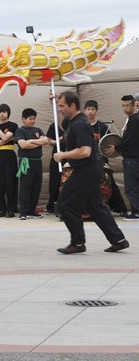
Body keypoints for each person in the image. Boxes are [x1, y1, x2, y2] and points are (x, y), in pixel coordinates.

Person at [54, 91, 130, 254]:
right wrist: (54, 103)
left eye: (62, 106)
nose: (60, 109)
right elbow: (61, 125)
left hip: (87, 169)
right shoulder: (72, 121)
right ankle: (119, 240)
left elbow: (85, 151)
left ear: (73, 106)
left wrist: (63, 155)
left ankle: (78, 243)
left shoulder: (80, 124)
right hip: (91, 168)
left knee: (65, 204)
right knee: (95, 206)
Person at [84, 99, 127, 216]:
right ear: (85, 111)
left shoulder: (102, 127)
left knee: (109, 182)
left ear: (96, 111)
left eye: (93, 109)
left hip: (101, 160)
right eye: (88, 109)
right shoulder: (82, 126)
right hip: (85, 160)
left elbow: (111, 141)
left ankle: (120, 208)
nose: (90, 111)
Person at [105, 95, 139, 220]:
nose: (125, 108)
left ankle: (136, 212)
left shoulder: (134, 120)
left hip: (132, 159)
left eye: (127, 105)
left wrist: (116, 148)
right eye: (123, 106)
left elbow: (130, 140)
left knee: (132, 186)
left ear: (134, 105)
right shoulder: (133, 119)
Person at [14, 108, 47, 220]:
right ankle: (23, 211)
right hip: (26, 162)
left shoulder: (38, 130)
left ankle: (32, 210)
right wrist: (38, 142)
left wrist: (31, 142)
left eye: (34, 118)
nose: (32, 121)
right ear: (24, 119)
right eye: (30, 119)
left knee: (36, 186)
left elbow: (45, 141)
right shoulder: (20, 131)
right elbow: (23, 145)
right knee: (25, 186)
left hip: (37, 161)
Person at [0, 103, 18, 217]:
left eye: (4, 111)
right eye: (0, 112)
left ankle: (11, 209)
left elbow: (6, 138)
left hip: (9, 154)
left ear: (8, 113)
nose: (2, 114)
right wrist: (2, 140)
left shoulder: (13, 125)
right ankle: (0, 209)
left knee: (11, 182)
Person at [45, 119, 65, 215]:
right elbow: (49, 141)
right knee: (55, 182)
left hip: (71, 157)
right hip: (57, 157)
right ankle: (52, 205)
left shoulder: (74, 124)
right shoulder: (55, 125)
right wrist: (60, 140)